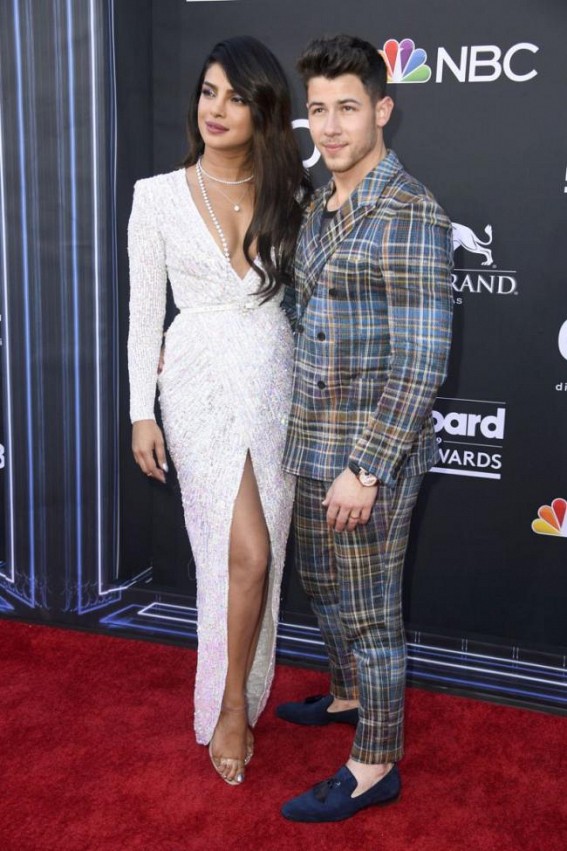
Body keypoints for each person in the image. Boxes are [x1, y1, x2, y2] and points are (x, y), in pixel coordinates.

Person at [277, 34, 453, 821]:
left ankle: (374, 764)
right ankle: (347, 695)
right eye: (318, 109)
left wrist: (367, 466)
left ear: (382, 109)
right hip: (311, 442)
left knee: (372, 613)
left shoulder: (409, 211)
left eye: (348, 107)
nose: (331, 125)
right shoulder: (320, 202)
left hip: (366, 456)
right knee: (320, 586)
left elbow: (421, 362)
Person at [127, 36, 307, 786]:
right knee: (243, 553)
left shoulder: (292, 196)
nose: (217, 109)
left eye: (235, 97)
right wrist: (142, 410)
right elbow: (144, 312)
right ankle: (230, 702)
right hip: (195, 378)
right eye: (208, 92)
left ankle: (240, 688)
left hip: (272, 375)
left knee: (260, 551)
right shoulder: (157, 194)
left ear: (262, 110)